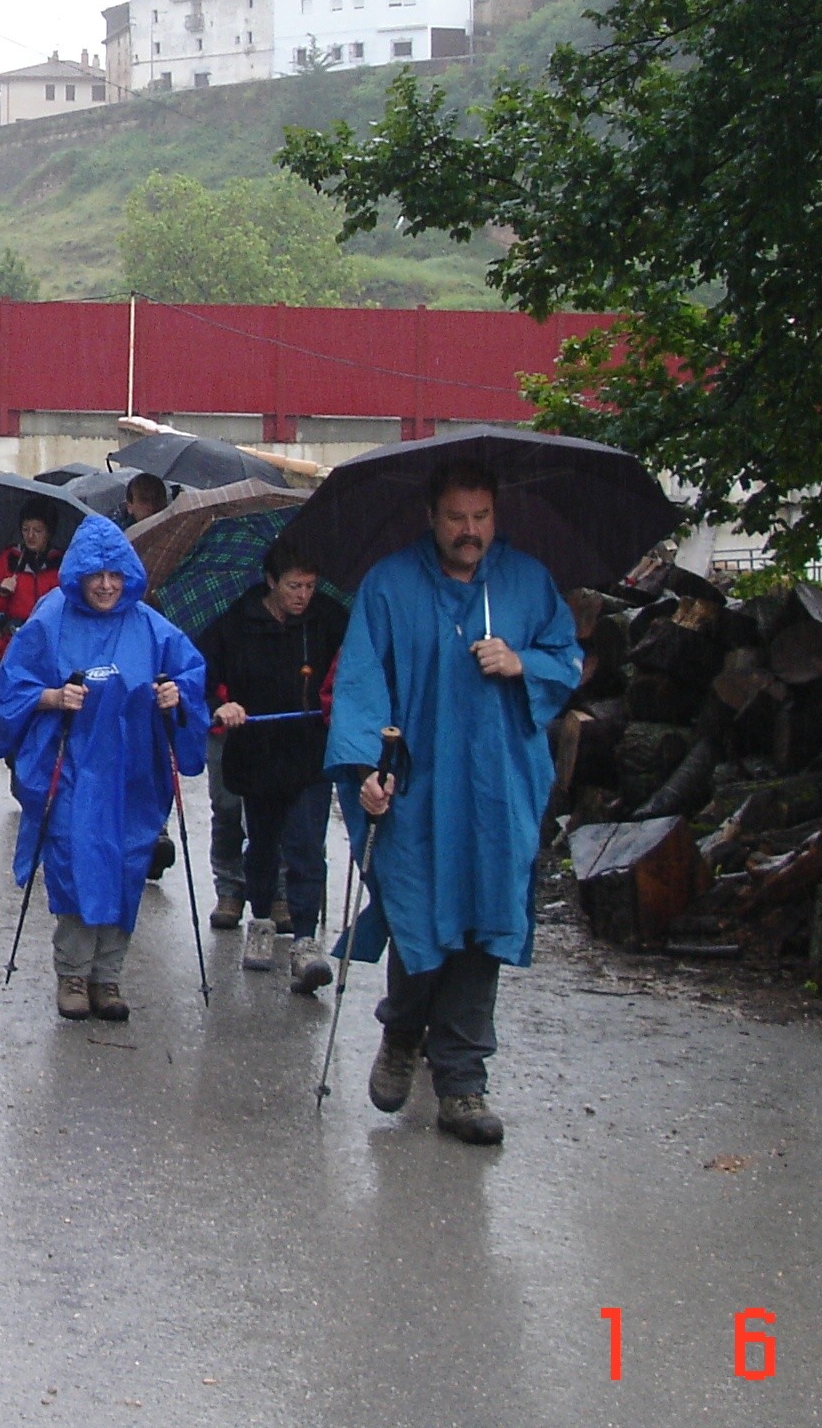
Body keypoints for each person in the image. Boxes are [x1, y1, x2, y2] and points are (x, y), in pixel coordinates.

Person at [324, 457, 583, 1147]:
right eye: (457, 518)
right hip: (418, 786)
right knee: (417, 912)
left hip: (499, 787)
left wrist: (524, 662)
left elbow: (566, 658)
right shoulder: (389, 585)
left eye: (482, 517)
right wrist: (367, 769)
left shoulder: (526, 582)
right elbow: (360, 682)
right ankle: (404, 1029)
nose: (471, 531)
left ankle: (463, 1082)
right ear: (431, 517)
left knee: (484, 922)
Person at [0, 515, 208, 1023]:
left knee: (127, 865)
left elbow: (189, 675)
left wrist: (176, 695)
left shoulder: (150, 625)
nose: (107, 586)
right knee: (73, 863)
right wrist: (53, 697)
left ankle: (108, 976)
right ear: (79, 575)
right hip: (71, 768)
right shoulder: (50, 619)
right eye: (96, 575)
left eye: (115, 575)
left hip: (133, 773)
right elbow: (11, 688)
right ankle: (72, 973)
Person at [197, 531, 350, 991]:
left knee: (306, 845)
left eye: (309, 586)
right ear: (270, 581)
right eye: (293, 586)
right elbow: (201, 676)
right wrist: (221, 706)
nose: (303, 596)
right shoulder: (236, 622)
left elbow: (356, 668)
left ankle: (305, 940)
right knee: (262, 845)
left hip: (310, 751)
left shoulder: (330, 618)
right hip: (257, 751)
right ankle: (261, 921)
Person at [0, 507, 63, 674]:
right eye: (25, 529)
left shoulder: (62, 563)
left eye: (38, 530)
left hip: (51, 645)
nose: (30, 536)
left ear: (49, 532)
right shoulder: (11, 558)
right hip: (14, 644)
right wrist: (1, 592)